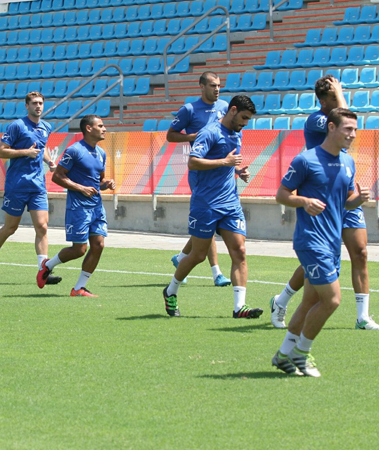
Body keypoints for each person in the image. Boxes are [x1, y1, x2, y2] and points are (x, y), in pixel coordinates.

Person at [269, 75, 378, 330]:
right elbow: (343, 115)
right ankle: (282, 300)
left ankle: (362, 317)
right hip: (322, 200)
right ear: (323, 101)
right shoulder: (317, 120)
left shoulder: (344, 141)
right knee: (316, 261)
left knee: (361, 253)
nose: (337, 100)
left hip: (344, 194)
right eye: (333, 96)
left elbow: (347, 119)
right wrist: (339, 92)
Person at [272, 108, 368, 377]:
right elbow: (281, 194)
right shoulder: (306, 160)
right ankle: (302, 353)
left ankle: (283, 355)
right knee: (333, 300)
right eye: (348, 129)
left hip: (332, 241)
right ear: (331, 128)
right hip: (311, 240)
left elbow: (346, 202)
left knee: (310, 301)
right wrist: (304, 201)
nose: (353, 134)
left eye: (355, 130)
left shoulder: (348, 162)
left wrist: (359, 200)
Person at [162, 95, 263, 319]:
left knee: (240, 251)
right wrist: (224, 162)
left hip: (230, 202)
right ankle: (171, 290)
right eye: (244, 118)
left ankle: (239, 307)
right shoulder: (209, 132)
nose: (245, 123)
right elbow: (193, 162)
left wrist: (238, 171)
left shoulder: (237, 133)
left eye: (248, 119)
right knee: (198, 255)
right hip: (206, 203)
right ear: (233, 110)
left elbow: (229, 161)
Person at [0, 91, 61, 286]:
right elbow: (1, 151)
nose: (38, 106)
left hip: (37, 185)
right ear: (27, 106)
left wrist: (49, 161)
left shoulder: (46, 127)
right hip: (17, 184)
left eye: (41, 103)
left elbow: (41, 148)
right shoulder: (17, 126)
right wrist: (25, 152)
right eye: (34, 103)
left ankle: (43, 271)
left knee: (42, 226)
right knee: (10, 228)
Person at [36, 115, 115, 296]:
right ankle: (47, 265)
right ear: (88, 128)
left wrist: (107, 183)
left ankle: (79, 288)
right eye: (100, 126)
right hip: (78, 207)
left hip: (97, 207)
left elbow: (99, 181)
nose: (104, 129)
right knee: (79, 250)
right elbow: (57, 176)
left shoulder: (101, 153)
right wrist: (81, 188)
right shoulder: (74, 150)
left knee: (98, 245)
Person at [167, 72, 231, 287]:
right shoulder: (189, 110)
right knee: (209, 219)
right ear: (201, 87)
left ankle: (181, 258)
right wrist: (192, 137)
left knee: (208, 222)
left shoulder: (224, 106)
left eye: (219, 85)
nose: (217, 89)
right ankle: (217, 273)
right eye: (213, 85)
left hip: (221, 173)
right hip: (200, 173)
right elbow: (171, 135)